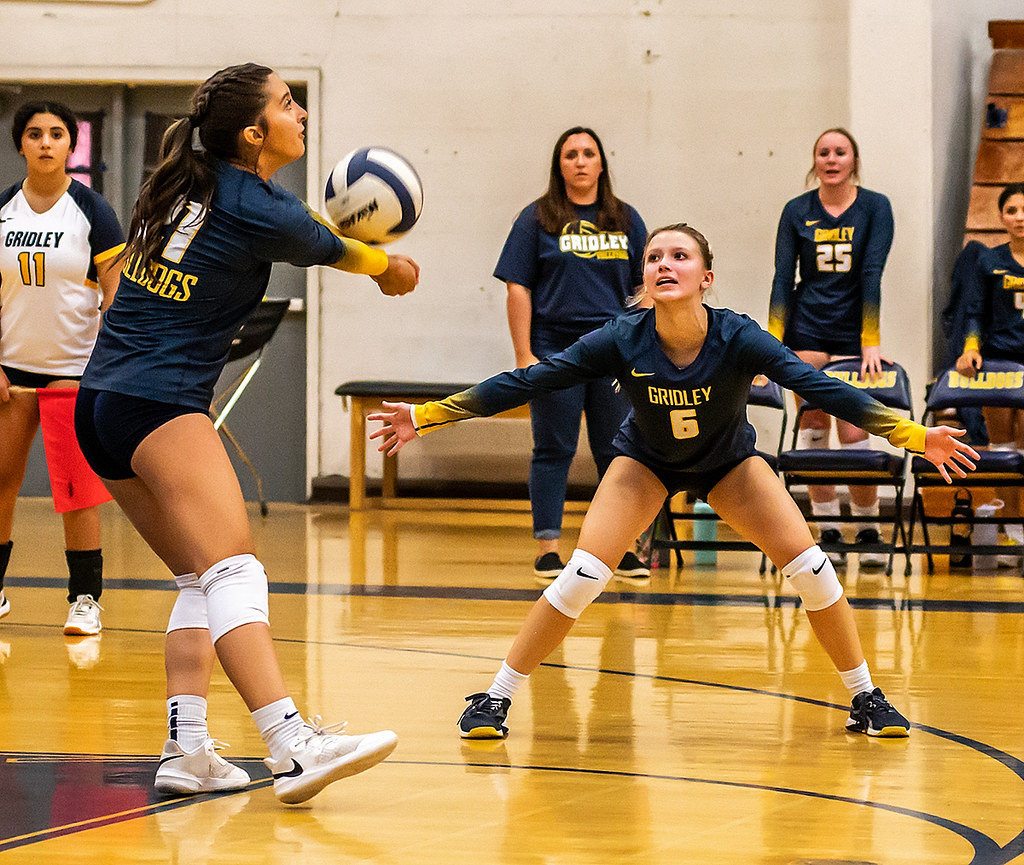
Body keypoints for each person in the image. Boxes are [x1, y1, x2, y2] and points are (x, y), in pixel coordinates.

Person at [370, 223, 977, 741]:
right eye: (654, 257)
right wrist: (426, 416)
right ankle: (496, 697)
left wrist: (912, 434)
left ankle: (865, 696)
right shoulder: (621, 336)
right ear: (644, 276)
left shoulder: (738, 335)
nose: (664, 264)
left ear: (705, 278)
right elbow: (530, 380)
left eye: (679, 256)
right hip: (646, 463)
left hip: (727, 464)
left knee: (813, 571)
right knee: (581, 576)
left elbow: (820, 387)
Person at [73, 63, 418, 803]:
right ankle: (293, 744)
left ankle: (188, 750)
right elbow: (337, 249)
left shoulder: (187, 181)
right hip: (159, 402)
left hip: (101, 402)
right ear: (254, 134)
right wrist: (389, 266)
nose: (301, 114)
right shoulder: (255, 201)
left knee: (199, 577)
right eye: (288, 104)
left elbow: (306, 228)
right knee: (235, 571)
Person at [495, 126, 650, 581]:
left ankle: (620, 549)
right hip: (555, 351)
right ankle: (548, 549)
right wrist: (524, 355)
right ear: (558, 165)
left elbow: (645, 287)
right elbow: (518, 287)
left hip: (613, 352)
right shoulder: (536, 218)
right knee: (553, 448)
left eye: (588, 153)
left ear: (601, 163)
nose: (580, 161)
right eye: (570, 155)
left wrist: (642, 346)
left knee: (617, 452)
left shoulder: (625, 219)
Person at [0, 101, 124, 636]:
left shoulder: (93, 211)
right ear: (20, 144)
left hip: (73, 370)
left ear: (71, 144)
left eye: (56, 134)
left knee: (75, 489)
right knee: (0, 482)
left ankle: (85, 599)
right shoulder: (3, 209)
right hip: (10, 371)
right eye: (35, 134)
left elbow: (116, 296)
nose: (46, 142)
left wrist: (103, 367)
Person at [768, 128, 895, 568]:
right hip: (806, 328)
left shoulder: (875, 206)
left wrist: (870, 340)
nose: (831, 159)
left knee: (855, 429)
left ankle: (868, 528)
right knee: (813, 424)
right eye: (823, 152)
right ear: (815, 161)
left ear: (853, 160)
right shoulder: (796, 210)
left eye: (840, 152)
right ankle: (827, 529)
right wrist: (772, 341)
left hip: (852, 332)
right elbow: (783, 277)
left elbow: (872, 273)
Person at [956, 182, 1024, 561]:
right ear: (1001, 217)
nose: (1020, 217)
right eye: (1012, 210)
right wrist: (970, 348)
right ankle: (1011, 530)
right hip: (999, 363)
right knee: (1002, 449)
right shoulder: (988, 260)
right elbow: (974, 311)